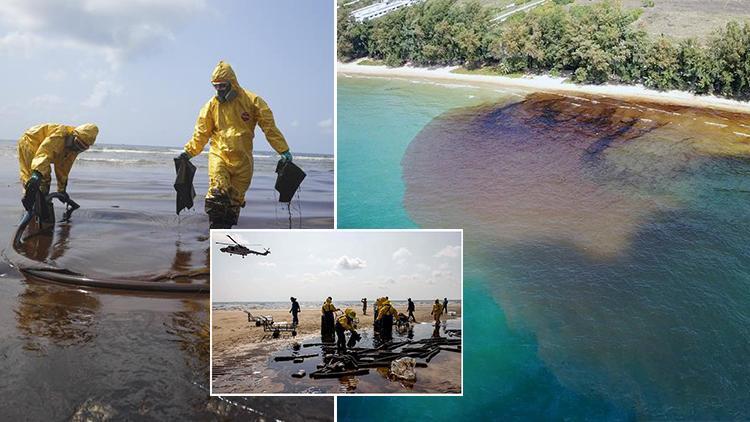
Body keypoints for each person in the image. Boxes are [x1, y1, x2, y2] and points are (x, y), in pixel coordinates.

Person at [177, 61, 293, 229]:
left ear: (232, 82)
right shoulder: (211, 106)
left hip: (243, 160)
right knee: (218, 192)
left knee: (234, 201)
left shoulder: (253, 101)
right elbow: (201, 133)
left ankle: (224, 232)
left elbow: (269, 127)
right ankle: (214, 229)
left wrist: (283, 149)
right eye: (216, 86)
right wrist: (188, 152)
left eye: (223, 86)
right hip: (220, 155)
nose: (219, 90)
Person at [18, 123, 99, 215]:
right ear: (73, 135)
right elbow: (44, 154)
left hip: (41, 150)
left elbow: (63, 168)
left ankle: (41, 205)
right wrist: (37, 174)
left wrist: (61, 189)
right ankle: (31, 204)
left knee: (43, 181)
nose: (76, 148)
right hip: (30, 142)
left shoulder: (73, 149)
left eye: (81, 148)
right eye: (77, 144)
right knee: (36, 178)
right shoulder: (60, 135)